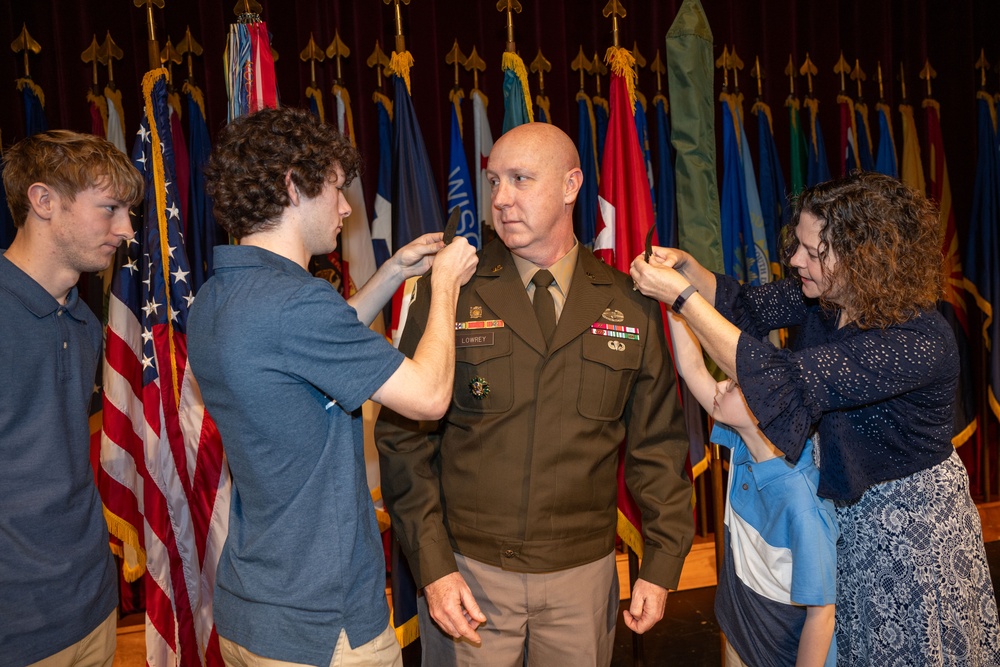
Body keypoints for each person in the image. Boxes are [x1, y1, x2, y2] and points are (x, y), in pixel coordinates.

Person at [631, 171, 1000, 665]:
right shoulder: (823, 301)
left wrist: (681, 299)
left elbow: (780, 378)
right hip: (846, 515)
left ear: (862, 258)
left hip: (912, 538)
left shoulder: (918, 340)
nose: (794, 260)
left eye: (812, 251)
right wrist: (692, 272)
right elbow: (745, 306)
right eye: (797, 244)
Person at [376, 122, 693, 666]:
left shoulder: (630, 302)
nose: (501, 199)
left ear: (571, 185)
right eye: (494, 181)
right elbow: (404, 443)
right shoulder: (450, 290)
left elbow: (658, 448)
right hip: (469, 578)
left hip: (583, 579)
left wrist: (661, 566)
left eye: (520, 179)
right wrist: (434, 568)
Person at [186, 107, 478, 667]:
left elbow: (310, 351)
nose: (346, 207)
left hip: (253, 608)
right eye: (337, 189)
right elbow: (428, 395)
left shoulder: (218, 298)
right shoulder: (297, 304)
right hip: (324, 627)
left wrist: (393, 271)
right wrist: (444, 289)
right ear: (293, 186)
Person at [1, 130, 143, 667]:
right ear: (43, 201)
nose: (126, 230)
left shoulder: (84, 321)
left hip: (91, 607)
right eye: (109, 209)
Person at [667, 313, 837, 666]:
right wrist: (673, 301)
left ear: (764, 410)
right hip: (740, 640)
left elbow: (822, 616)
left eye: (734, 385)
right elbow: (691, 368)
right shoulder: (743, 445)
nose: (722, 386)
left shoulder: (803, 505)